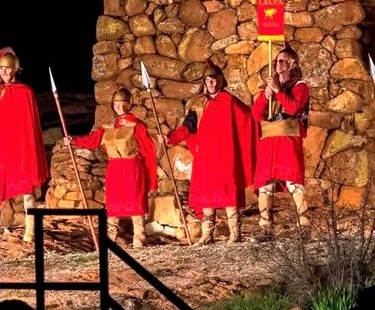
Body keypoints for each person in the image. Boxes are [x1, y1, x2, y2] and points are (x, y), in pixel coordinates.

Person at [168, 62, 254, 244]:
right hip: (205, 156)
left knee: (229, 191)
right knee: (207, 192)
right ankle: (207, 235)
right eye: (208, 80)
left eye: (214, 80)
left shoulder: (229, 101)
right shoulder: (198, 104)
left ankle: (235, 234)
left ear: (221, 81)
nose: (211, 83)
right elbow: (187, 127)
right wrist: (170, 139)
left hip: (226, 154)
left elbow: (248, 119)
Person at [0, 47, 49, 242]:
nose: (4, 72)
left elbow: (30, 126)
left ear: (15, 70)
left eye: (8, 68)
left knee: (26, 190)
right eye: (1, 68)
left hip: (20, 149)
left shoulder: (25, 92)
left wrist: (27, 149)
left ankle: (30, 230)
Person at [71, 87, 157, 248]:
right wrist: (74, 141)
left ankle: (139, 239)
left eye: (122, 103)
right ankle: (110, 239)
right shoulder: (109, 127)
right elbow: (92, 141)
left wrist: (151, 179)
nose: (119, 107)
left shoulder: (137, 126)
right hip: (115, 168)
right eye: (116, 104)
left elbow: (149, 152)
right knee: (114, 204)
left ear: (129, 104)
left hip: (132, 168)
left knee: (135, 202)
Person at [250, 45, 310, 241]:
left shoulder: (300, 86)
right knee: (265, 185)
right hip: (269, 140)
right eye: (277, 61)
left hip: (288, 139)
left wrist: (278, 91)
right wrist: (265, 96)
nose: (279, 64)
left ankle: (304, 227)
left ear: (293, 64)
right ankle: (266, 229)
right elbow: (256, 114)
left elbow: (293, 109)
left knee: (294, 182)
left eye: (284, 61)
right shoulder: (270, 86)